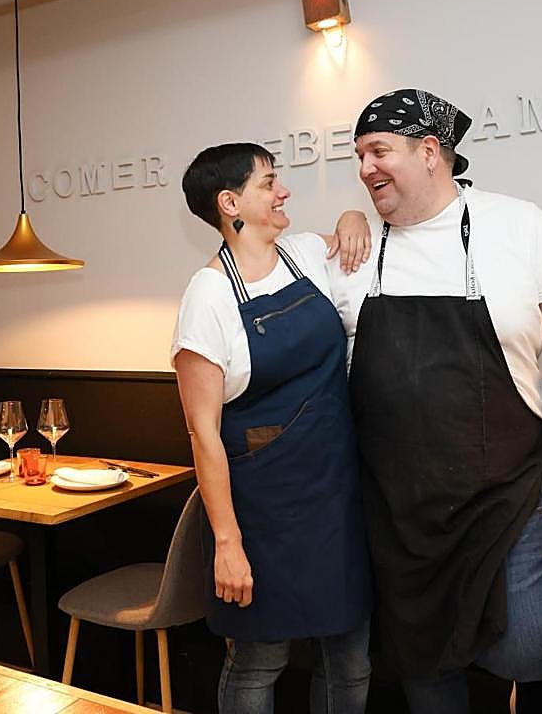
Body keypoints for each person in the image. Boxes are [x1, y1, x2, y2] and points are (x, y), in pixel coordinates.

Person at [333, 88, 542, 714]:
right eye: (359, 156)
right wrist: (345, 221)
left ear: (430, 152)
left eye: (378, 151)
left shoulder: (520, 227)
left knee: (530, 647)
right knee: (425, 668)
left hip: (500, 495)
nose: (365, 168)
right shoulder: (351, 252)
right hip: (396, 510)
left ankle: (536, 695)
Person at [171, 142, 373, 713]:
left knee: (351, 656)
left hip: (337, 494)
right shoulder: (207, 296)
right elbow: (202, 434)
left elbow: (363, 251)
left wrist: (351, 216)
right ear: (230, 202)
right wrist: (228, 546)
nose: (283, 190)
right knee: (260, 661)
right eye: (269, 183)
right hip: (263, 511)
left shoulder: (306, 254)